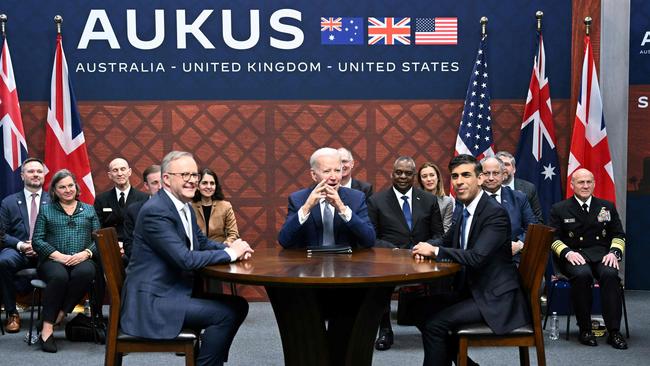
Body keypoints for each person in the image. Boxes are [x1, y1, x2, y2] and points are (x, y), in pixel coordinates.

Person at [120, 151, 254, 366]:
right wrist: (230, 254)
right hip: (152, 302)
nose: (193, 180)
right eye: (185, 175)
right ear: (166, 179)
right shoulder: (156, 211)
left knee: (238, 305)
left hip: (171, 292)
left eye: (195, 175)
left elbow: (200, 243)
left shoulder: (183, 206)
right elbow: (185, 259)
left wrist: (231, 248)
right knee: (225, 314)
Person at [412, 154, 530, 366]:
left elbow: (477, 257)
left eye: (466, 175)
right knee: (415, 309)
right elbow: (446, 241)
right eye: (455, 176)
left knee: (435, 325)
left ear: (480, 179)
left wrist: (436, 251)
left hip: (495, 298)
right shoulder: (464, 210)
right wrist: (423, 247)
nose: (459, 181)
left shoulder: (495, 214)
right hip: (473, 290)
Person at [367, 156, 444, 351]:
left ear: (413, 176)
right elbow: (371, 237)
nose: (403, 176)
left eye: (408, 173)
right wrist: (393, 251)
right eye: (399, 172)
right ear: (392, 174)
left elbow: (439, 234)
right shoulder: (376, 201)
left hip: (423, 257)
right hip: (389, 259)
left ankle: (435, 328)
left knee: (443, 278)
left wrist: (426, 247)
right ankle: (385, 330)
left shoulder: (428, 200)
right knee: (379, 284)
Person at [549, 168, 627, 350]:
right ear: (572, 184)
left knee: (610, 275)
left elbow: (619, 234)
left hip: (602, 255)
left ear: (594, 184)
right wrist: (567, 252)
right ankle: (585, 329)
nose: (585, 186)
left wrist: (614, 253)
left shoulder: (606, 206)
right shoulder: (559, 209)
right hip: (574, 256)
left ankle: (614, 331)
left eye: (588, 182)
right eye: (581, 182)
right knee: (582, 276)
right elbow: (553, 238)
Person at [32, 169, 100, 353]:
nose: (67, 189)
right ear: (54, 190)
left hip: (82, 258)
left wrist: (85, 253)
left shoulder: (88, 209)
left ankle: (59, 314)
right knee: (59, 277)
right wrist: (58, 255)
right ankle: (47, 329)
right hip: (53, 260)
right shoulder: (46, 210)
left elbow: (98, 239)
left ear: (76, 187)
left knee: (86, 272)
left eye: (70, 185)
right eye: (62, 187)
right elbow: (37, 240)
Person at [278, 147, 375, 248]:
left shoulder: (356, 198)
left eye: (337, 171)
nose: (333, 177)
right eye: (327, 171)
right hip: (310, 262)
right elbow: (284, 241)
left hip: (345, 261)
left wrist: (342, 208)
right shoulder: (298, 199)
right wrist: (306, 207)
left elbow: (369, 241)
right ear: (314, 175)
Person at [0, 158, 50, 333]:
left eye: (39, 171)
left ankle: (51, 316)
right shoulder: (9, 202)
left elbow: (61, 231)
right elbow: (2, 234)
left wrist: (41, 245)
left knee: (61, 265)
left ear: (44, 175)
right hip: (18, 251)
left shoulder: (55, 200)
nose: (35, 174)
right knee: (3, 261)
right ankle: (12, 313)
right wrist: (21, 245)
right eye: (31, 171)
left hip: (46, 252)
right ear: (22, 176)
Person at [480, 157, 538, 261]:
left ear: (504, 175)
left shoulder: (519, 198)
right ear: (479, 176)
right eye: (486, 173)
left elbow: (532, 227)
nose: (491, 178)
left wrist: (519, 245)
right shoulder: (470, 199)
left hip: (515, 258)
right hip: (482, 258)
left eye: (496, 173)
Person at [93, 158, 148, 247]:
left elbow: (145, 228)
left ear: (129, 172)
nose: (119, 173)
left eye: (123, 169)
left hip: (135, 247)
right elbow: (98, 229)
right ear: (110, 175)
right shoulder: (101, 199)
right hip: (109, 247)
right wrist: (113, 244)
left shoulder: (144, 198)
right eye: (115, 170)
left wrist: (127, 246)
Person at [122, 164, 161, 262]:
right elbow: (128, 245)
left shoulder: (179, 208)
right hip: (144, 264)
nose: (160, 187)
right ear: (146, 185)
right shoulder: (134, 210)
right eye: (155, 183)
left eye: (163, 182)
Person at [191, 168, 239, 244]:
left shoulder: (226, 206)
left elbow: (233, 233)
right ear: (197, 186)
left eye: (212, 183)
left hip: (220, 250)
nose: (209, 186)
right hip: (197, 251)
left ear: (216, 186)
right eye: (204, 183)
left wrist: (226, 245)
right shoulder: (190, 207)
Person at [495, 151, 544, 223]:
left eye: (506, 164)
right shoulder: (486, 188)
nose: (503, 168)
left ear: (514, 169)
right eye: (500, 165)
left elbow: (537, 220)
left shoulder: (529, 188)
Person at [417, 161, 454, 233]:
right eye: (424, 176)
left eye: (432, 175)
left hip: (437, 242)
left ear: (438, 178)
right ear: (420, 181)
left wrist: (432, 244)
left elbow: (446, 230)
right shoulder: (414, 199)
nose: (429, 179)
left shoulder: (447, 201)